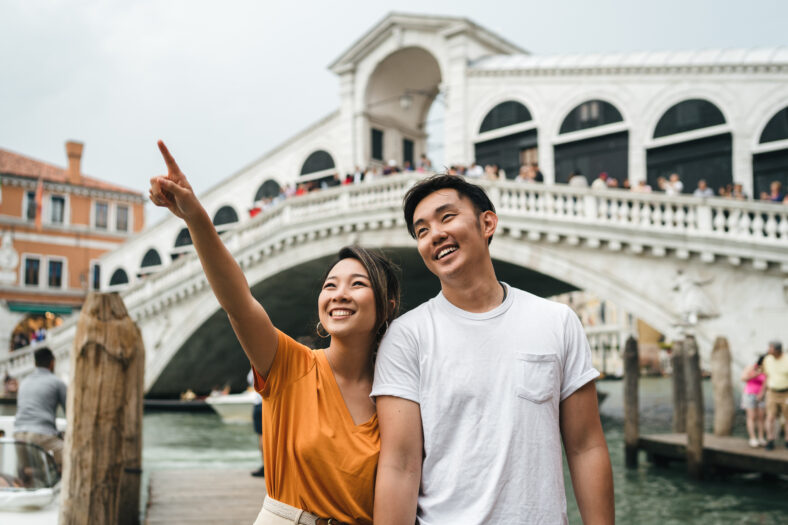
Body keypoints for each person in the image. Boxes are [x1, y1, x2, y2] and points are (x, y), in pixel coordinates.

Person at [149, 141, 400, 525]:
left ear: (386, 305)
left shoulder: (397, 395)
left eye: (357, 284)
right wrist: (196, 218)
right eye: (330, 285)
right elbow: (238, 302)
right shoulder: (289, 365)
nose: (339, 295)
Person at [372, 175, 614, 524]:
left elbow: (586, 446)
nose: (434, 235)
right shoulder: (407, 336)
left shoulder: (557, 320)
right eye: (421, 230)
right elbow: (400, 466)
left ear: (487, 223)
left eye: (446, 217)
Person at [13, 347, 67, 469]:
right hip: (41, 435)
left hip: (18, 434)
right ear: (52, 362)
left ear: (35, 363)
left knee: (28, 474)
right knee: (71, 457)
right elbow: (71, 414)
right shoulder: (57, 382)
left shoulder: (24, 382)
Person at [763, 340, 788, 450]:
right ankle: (770, 439)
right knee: (770, 417)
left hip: (786, 393)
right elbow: (766, 376)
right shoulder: (767, 359)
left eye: (771, 348)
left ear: (777, 350)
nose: (768, 350)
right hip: (772, 392)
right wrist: (762, 391)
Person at [740, 355, 767, 447]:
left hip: (761, 395)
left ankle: (761, 437)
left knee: (761, 417)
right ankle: (752, 438)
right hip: (749, 394)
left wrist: (762, 393)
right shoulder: (751, 367)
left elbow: (765, 383)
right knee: (751, 416)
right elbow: (743, 378)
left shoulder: (766, 370)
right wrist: (755, 374)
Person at [247, 369, 265, 477]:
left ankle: (265, 466)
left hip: (258, 403)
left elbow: (250, 380)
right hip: (268, 403)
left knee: (261, 437)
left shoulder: (256, 365)